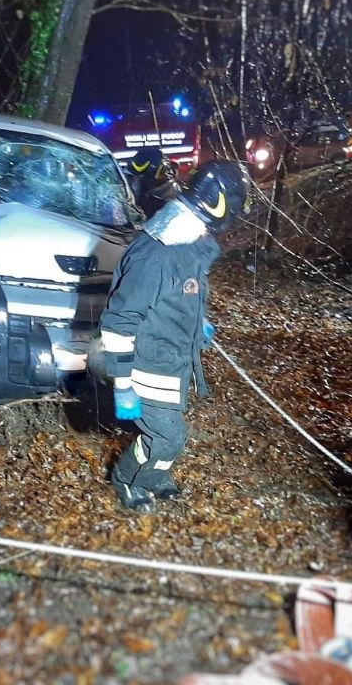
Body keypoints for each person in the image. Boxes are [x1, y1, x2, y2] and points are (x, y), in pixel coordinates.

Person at [99, 161, 251, 513]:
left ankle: (154, 474)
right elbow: (119, 321)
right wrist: (122, 382)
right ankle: (128, 477)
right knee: (167, 437)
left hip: (173, 359)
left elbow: (182, 296)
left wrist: (200, 324)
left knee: (169, 432)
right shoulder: (160, 254)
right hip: (147, 363)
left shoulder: (190, 244)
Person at [124, 147, 181, 219]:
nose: (134, 182)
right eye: (132, 177)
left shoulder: (168, 196)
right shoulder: (131, 190)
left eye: (137, 179)